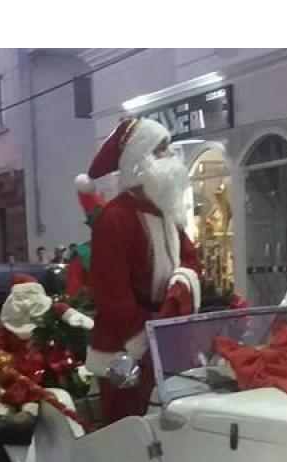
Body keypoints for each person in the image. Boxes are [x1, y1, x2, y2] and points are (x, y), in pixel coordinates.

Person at [81, 117, 203, 423]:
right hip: (127, 346)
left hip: (166, 333)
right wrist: (143, 338)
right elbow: (111, 292)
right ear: (140, 159)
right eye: (162, 149)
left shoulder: (166, 212)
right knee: (132, 427)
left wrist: (182, 281)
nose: (171, 154)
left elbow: (191, 259)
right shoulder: (116, 217)